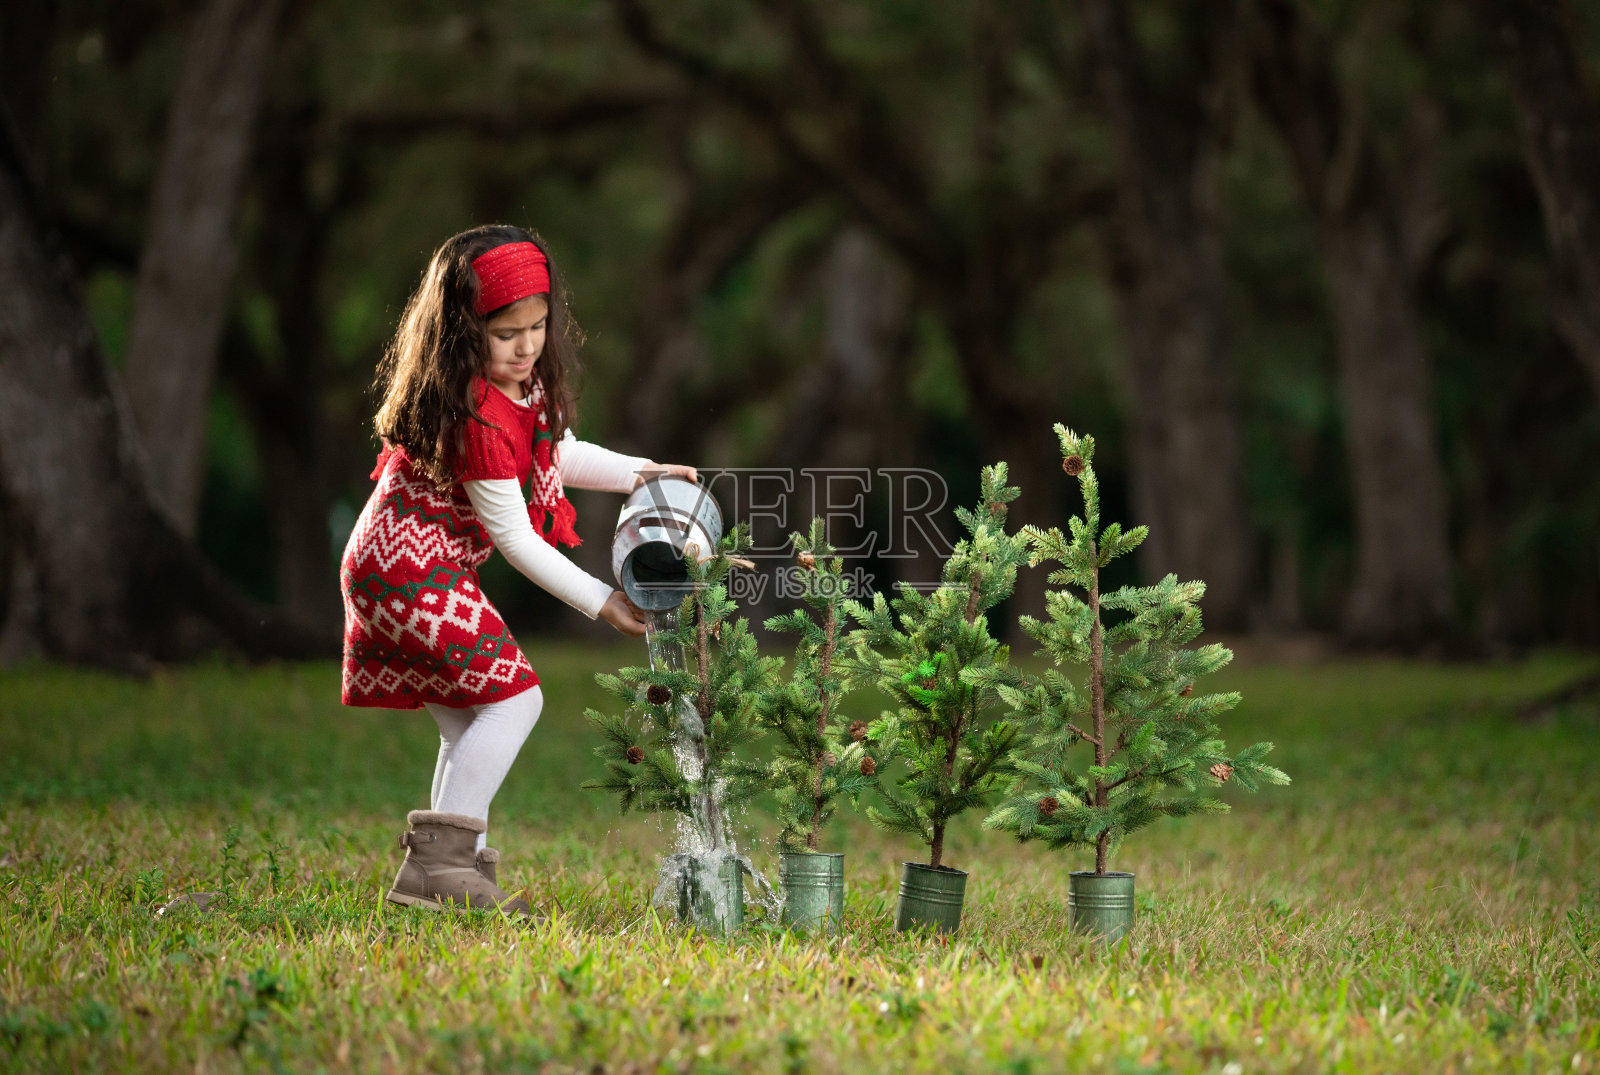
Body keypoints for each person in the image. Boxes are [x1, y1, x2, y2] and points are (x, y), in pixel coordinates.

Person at [339, 224, 695, 917]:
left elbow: (557, 455)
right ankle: (442, 868)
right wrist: (603, 600)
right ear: (462, 333)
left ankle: (448, 878)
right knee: (516, 701)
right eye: (506, 333)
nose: (527, 346)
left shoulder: (522, 391)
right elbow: (515, 539)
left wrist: (639, 473)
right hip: (407, 570)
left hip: (404, 564)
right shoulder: (474, 412)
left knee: (471, 721)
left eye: (537, 327)